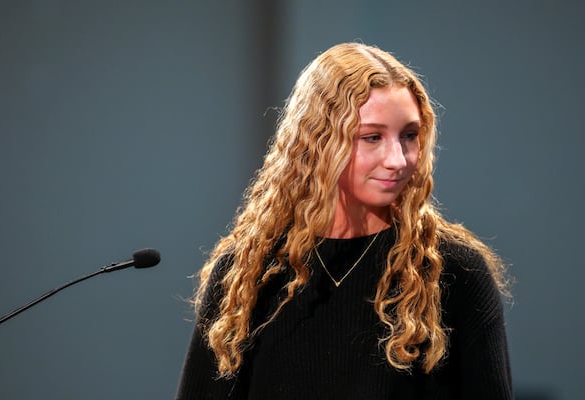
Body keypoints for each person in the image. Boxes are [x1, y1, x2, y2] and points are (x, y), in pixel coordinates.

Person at [175, 42, 512, 399]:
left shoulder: (453, 271)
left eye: (409, 136)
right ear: (318, 142)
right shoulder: (246, 274)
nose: (397, 159)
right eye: (372, 137)